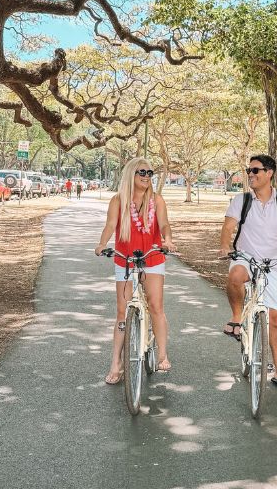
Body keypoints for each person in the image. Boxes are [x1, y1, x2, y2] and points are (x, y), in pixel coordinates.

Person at [219, 154, 277, 392]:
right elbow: (228, 227)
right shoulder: (242, 200)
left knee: (276, 319)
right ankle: (237, 318)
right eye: (249, 171)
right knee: (236, 276)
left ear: (269, 173)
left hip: (275, 263)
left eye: (255, 170)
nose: (250, 175)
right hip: (245, 257)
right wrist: (225, 246)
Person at [95, 158, 176, 384]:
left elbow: (164, 224)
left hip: (152, 256)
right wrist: (102, 244)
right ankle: (116, 362)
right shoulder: (118, 200)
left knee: (156, 306)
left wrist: (168, 240)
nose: (147, 176)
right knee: (122, 312)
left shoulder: (157, 200)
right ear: (131, 174)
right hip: (125, 259)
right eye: (142, 172)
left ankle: (162, 354)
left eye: (150, 173)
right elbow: (110, 225)